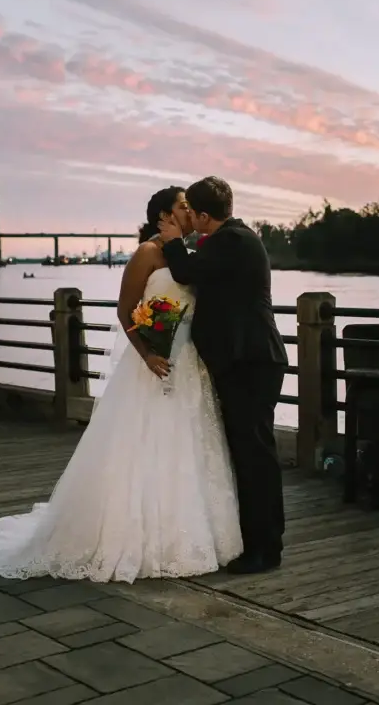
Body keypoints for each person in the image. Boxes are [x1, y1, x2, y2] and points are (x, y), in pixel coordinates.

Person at [0, 186, 242, 583]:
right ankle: (136, 535)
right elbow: (124, 309)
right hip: (153, 363)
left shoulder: (190, 253)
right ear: (163, 216)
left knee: (189, 442)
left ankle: (194, 532)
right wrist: (147, 353)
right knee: (143, 442)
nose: (189, 211)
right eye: (182, 206)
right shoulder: (148, 254)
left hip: (189, 363)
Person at [159, 176, 287, 575]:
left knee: (255, 458)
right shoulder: (234, 238)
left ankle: (264, 551)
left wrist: (170, 241)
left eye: (191, 213)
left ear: (201, 214)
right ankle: (263, 545)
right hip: (248, 360)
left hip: (249, 361)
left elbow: (185, 271)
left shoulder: (231, 240)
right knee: (253, 455)